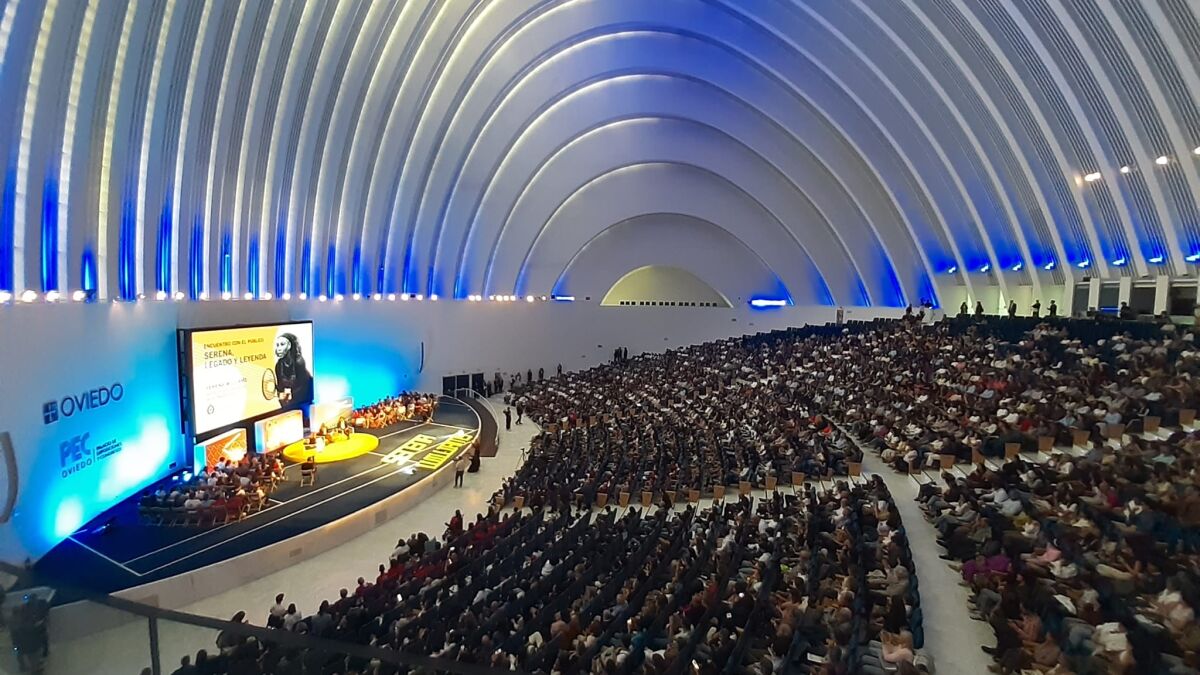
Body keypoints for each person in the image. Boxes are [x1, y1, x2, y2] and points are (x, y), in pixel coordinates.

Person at [273, 332, 313, 405]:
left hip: (305, 396)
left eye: (282, 344)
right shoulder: (278, 365)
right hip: (290, 400)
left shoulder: (299, 362)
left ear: (290, 346)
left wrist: (291, 395)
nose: (279, 348)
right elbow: (280, 388)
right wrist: (281, 394)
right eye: (277, 345)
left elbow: (303, 386)